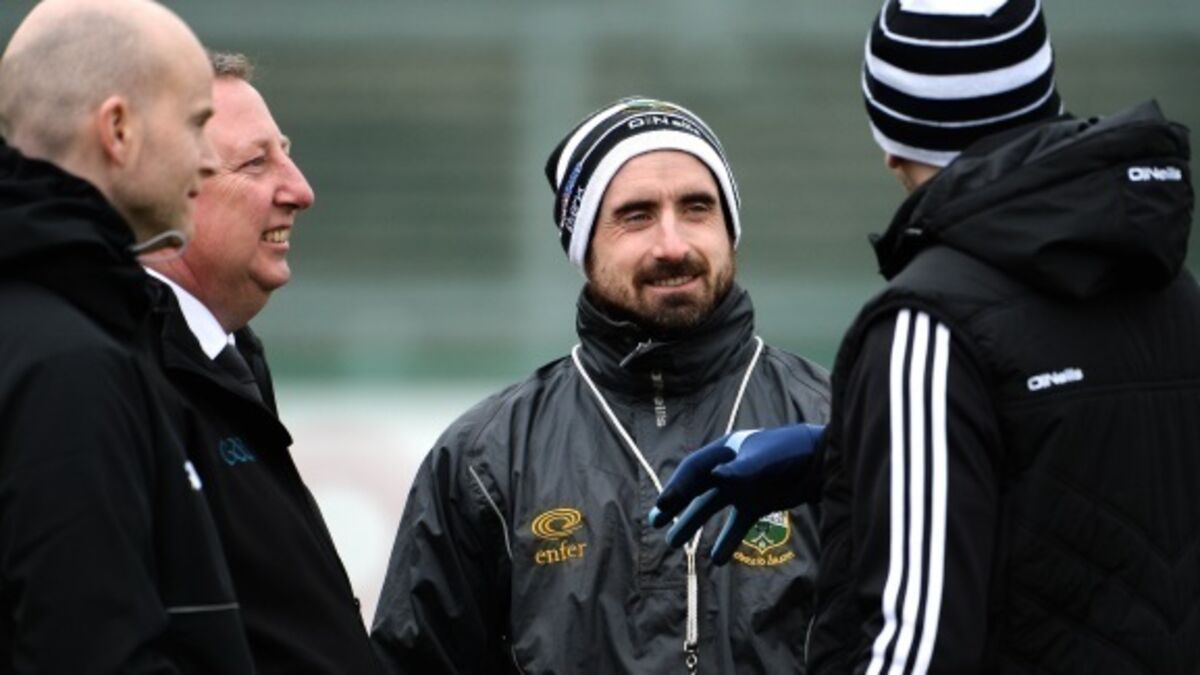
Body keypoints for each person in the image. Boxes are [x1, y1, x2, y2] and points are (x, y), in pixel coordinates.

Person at [652, 0, 1200, 672]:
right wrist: (841, 456)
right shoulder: (1171, 289)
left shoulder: (927, 323)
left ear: (892, 142)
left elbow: (916, 649)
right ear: (1044, 99)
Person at [371, 97, 830, 674]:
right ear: (583, 244)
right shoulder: (485, 459)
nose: (673, 244)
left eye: (697, 208)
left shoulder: (834, 424)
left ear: (730, 228)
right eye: (636, 215)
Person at [0, 1, 256, 672]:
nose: (208, 160)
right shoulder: (67, 366)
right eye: (196, 123)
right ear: (118, 129)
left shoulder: (68, 326)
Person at [141, 53, 383, 674]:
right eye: (255, 163)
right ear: (160, 190)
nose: (300, 190)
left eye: (286, 154)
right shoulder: (120, 375)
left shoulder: (229, 353)